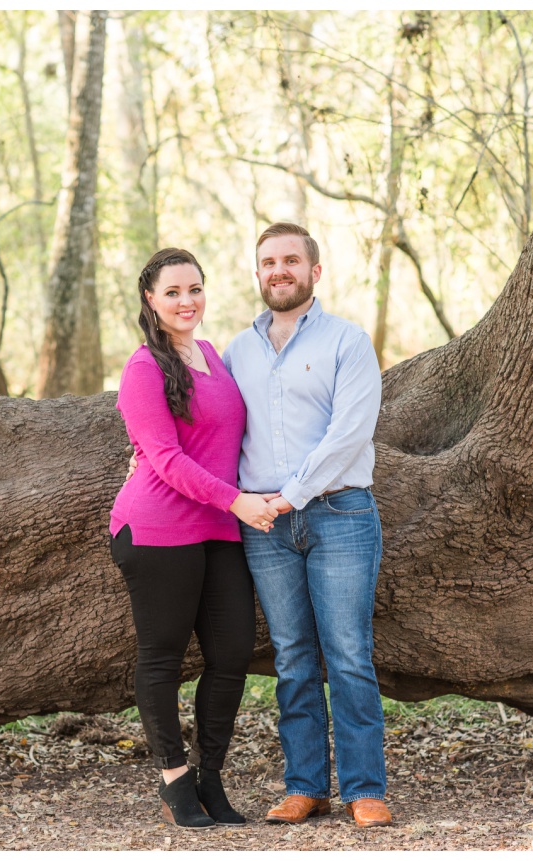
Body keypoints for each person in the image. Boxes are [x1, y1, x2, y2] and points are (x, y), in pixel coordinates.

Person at [223, 222, 392, 828]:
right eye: (268, 261)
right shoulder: (235, 352)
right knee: (292, 657)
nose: (278, 270)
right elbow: (212, 423)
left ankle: (365, 788)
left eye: (291, 259)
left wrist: (288, 497)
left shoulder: (349, 341)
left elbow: (350, 433)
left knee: (348, 654)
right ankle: (305, 786)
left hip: (339, 514)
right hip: (264, 524)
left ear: (314, 271)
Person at [109, 248, 283, 829]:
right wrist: (238, 500)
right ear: (150, 301)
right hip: (158, 527)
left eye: (195, 289)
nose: (187, 302)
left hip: (218, 528)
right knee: (161, 657)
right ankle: (175, 779)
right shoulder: (144, 368)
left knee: (232, 653)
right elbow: (162, 456)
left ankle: (211, 777)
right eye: (173, 292)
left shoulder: (213, 355)